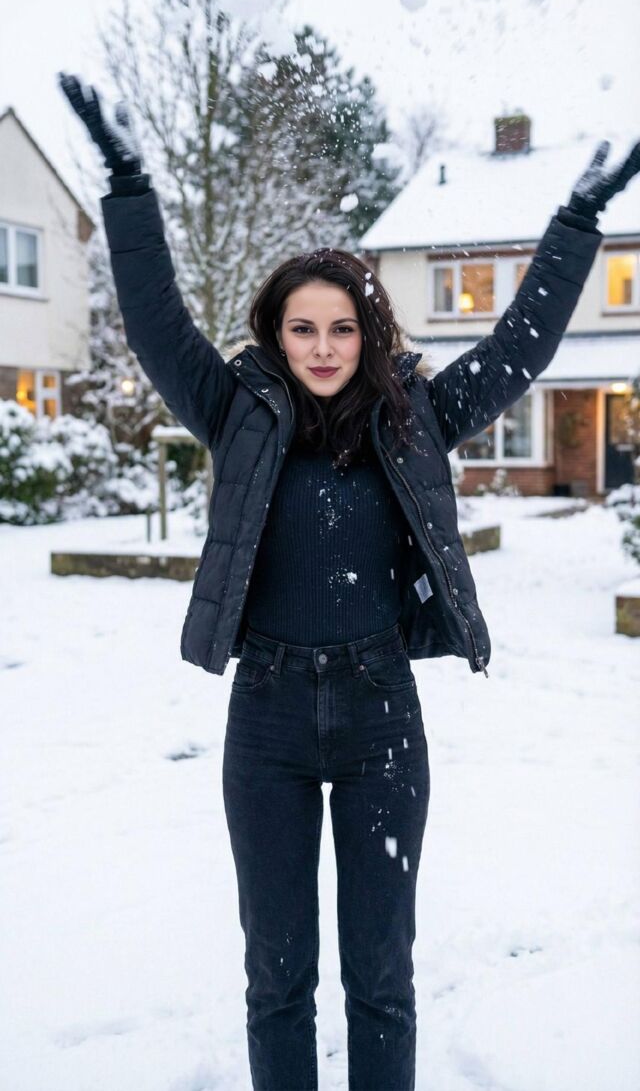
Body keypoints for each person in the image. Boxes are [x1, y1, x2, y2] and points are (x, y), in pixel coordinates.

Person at [58, 71, 639, 1091]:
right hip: (268, 720)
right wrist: (128, 182)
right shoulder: (233, 410)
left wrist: (578, 219)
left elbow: (519, 347)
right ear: (274, 334)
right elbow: (154, 322)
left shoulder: (414, 417)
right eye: (302, 328)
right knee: (276, 977)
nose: (323, 347)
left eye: (341, 327)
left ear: (368, 333)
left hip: (381, 721)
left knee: (381, 976)